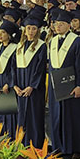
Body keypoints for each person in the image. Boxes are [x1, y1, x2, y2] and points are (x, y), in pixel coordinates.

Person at [47, 9, 80, 159]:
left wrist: (79, 85)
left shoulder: (77, 42)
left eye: (62, 24)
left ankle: (77, 149)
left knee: (74, 117)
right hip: (56, 84)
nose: (58, 27)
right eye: (56, 24)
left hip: (72, 85)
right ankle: (60, 147)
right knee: (57, 116)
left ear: (69, 26)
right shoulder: (52, 41)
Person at [14, 15, 48, 147]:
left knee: (34, 116)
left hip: (34, 89)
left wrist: (32, 86)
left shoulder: (41, 46)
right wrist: (15, 85)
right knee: (22, 116)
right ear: (24, 30)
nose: (31, 31)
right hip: (20, 87)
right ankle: (22, 143)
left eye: (34, 28)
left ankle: (36, 145)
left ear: (38, 30)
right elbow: (13, 67)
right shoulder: (19, 46)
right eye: (28, 28)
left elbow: (40, 69)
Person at [0, 20, 19, 137]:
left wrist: (9, 83)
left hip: (9, 85)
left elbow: (14, 68)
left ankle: (11, 139)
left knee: (9, 113)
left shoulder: (16, 48)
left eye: (3, 32)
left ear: (10, 34)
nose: (0, 35)